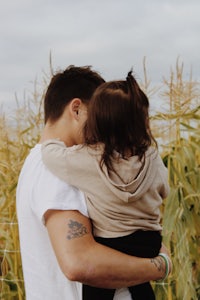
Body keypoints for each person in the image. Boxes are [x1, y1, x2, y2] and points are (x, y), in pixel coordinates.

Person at [16, 65, 171, 300]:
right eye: (98, 114)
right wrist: (160, 265)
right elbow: (79, 262)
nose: (104, 126)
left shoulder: (39, 161)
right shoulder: (59, 168)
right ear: (77, 109)